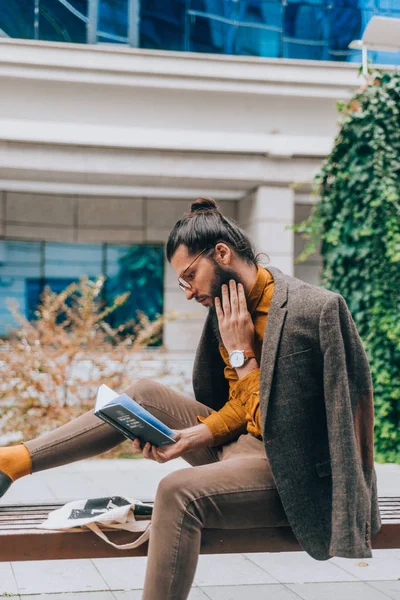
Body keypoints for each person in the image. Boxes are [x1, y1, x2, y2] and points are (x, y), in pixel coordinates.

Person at [0, 196, 381, 600]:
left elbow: (339, 415)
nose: (186, 292)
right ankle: (13, 461)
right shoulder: (228, 306)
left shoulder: (316, 310)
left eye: (189, 276)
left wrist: (242, 355)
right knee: (144, 394)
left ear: (222, 253)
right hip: (241, 449)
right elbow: (237, 406)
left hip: (289, 470)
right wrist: (194, 436)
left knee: (175, 491)